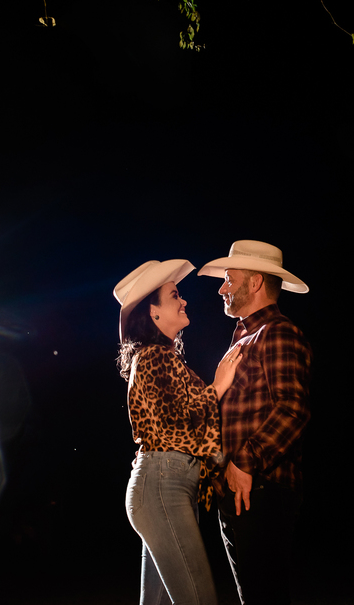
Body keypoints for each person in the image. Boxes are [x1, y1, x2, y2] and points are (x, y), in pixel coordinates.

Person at [114, 259, 244, 605]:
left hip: (165, 484)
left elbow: (171, 424)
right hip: (162, 486)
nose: (183, 300)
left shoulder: (161, 357)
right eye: (174, 295)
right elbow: (176, 419)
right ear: (153, 313)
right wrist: (217, 387)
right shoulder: (154, 356)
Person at [197, 240, 312, 605]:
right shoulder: (243, 339)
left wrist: (246, 462)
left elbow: (293, 408)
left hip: (263, 487)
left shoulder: (278, 332)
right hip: (239, 491)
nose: (221, 288)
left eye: (230, 279)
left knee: (264, 595)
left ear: (257, 282)